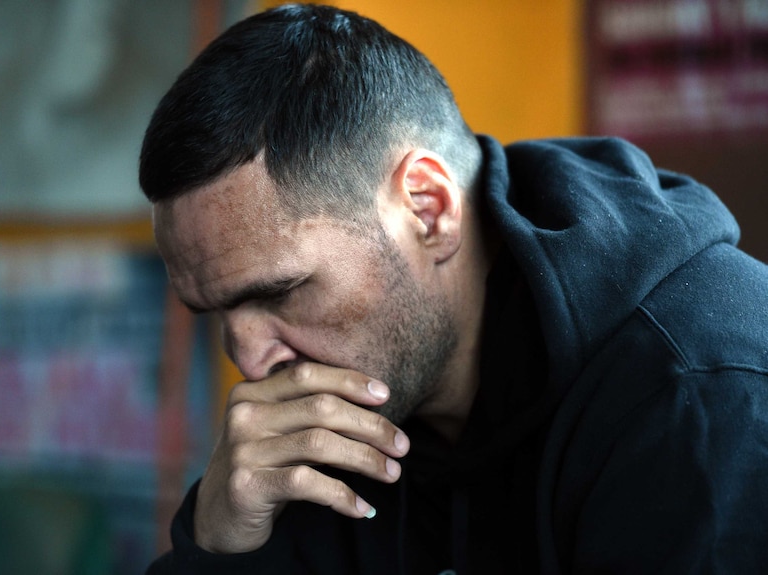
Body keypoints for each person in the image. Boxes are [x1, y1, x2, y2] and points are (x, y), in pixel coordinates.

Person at [138, 4, 768, 574]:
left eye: (280, 293)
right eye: (215, 312)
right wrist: (217, 546)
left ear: (428, 210)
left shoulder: (699, 395)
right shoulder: (326, 426)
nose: (249, 362)